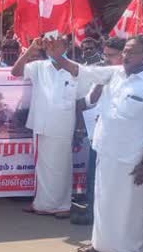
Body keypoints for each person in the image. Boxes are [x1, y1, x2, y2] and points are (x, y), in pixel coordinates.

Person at [76, 36, 143, 252]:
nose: (126, 56)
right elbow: (82, 71)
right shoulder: (113, 74)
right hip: (106, 149)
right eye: (125, 51)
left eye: (132, 52)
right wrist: (57, 56)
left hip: (133, 157)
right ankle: (101, 244)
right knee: (103, 199)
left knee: (130, 208)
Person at [11, 37, 96, 219]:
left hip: (64, 125)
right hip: (40, 123)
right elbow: (16, 71)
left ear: (66, 46)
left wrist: (80, 128)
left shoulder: (76, 69)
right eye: (49, 44)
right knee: (42, 166)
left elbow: (81, 102)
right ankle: (42, 204)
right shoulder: (39, 67)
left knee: (61, 166)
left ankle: (62, 206)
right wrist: (31, 49)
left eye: (56, 44)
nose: (51, 47)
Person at [74, 36, 127, 225]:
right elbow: (90, 101)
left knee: (117, 181)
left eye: (111, 56)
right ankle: (92, 212)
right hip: (98, 134)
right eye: (105, 55)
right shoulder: (104, 74)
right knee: (94, 176)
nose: (106, 59)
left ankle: (115, 217)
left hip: (122, 140)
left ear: (125, 55)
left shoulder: (133, 79)